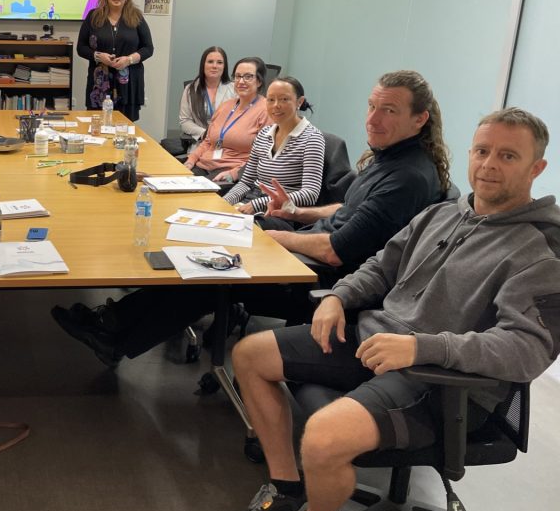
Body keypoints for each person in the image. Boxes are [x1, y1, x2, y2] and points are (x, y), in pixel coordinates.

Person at [230, 107, 559, 511]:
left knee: (323, 437)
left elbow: (526, 351)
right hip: (378, 343)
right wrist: (338, 298)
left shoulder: (540, 250)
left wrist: (424, 346)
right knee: (250, 355)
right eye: (482, 151)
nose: (489, 165)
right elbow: (381, 267)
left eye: (508, 155)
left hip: (437, 381)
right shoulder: (443, 214)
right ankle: (286, 485)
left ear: (536, 167)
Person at [51, 70, 450, 367]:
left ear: (420, 120)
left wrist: (271, 237)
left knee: (209, 275)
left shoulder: (407, 178)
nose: (373, 119)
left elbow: (335, 250)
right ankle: (113, 322)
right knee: (203, 254)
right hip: (307, 245)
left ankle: (114, 336)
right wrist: (293, 212)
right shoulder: (391, 159)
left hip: (325, 279)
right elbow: (344, 210)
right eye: (372, 106)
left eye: (389, 111)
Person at [224, 76, 325, 226]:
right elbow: (246, 182)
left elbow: (310, 194)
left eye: (284, 99)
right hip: (250, 203)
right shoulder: (264, 134)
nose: (276, 105)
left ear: (300, 102)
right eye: (270, 99)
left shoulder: (312, 139)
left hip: (283, 213)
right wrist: (225, 202)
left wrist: (257, 204)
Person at [76, 0, 154, 121]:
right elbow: (81, 47)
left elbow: (148, 48)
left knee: (124, 129)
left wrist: (129, 60)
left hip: (128, 85)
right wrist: (99, 56)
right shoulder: (93, 16)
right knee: (97, 129)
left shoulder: (136, 17)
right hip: (99, 85)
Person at [185, 57, 271, 187]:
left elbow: (263, 156)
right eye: (237, 76)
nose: (241, 81)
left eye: (248, 77)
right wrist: (191, 160)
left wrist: (234, 173)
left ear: (259, 81)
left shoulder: (266, 111)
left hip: (232, 173)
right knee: (172, 183)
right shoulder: (226, 106)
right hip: (204, 165)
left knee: (193, 195)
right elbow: (208, 141)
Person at [160, 45, 236, 156]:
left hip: (228, 144)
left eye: (219, 62)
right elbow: (185, 121)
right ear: (203, 65)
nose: (215, 66)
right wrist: (204, 133)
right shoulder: (190, 89)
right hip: (201, 143)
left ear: (224, 66)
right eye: (210, 61)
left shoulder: (234, 90)